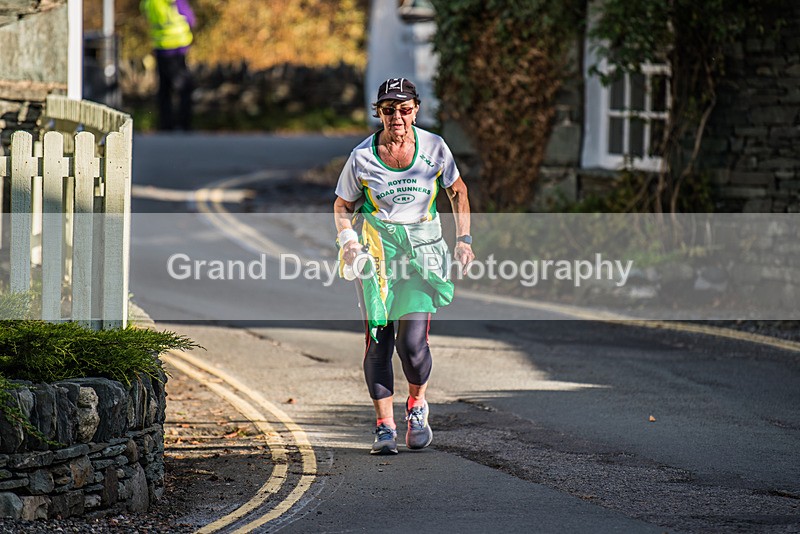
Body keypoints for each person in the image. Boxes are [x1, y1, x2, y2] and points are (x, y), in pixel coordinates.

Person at [333, 78, 475, 455]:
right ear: (378, 112)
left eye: (405, 108)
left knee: (412, 345)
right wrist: (349, 242)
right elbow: (342, 206)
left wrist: (463, 240)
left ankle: (416, 405)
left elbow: (457, 191)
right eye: (389, 109)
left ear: (416, 109)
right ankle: (384, 427)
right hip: (378, 254)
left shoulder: (434, 147)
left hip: (422, 253)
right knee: (379, 340)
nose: (397, 116)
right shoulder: (362, 156)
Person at [140, 0, 195, 131]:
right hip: (177, 48)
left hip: (160, 47)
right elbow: (190, 19)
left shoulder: (150, 2)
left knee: (164, 88)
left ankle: (166, 124)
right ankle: (184, 123)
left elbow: (145, 13)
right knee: (184, 87)